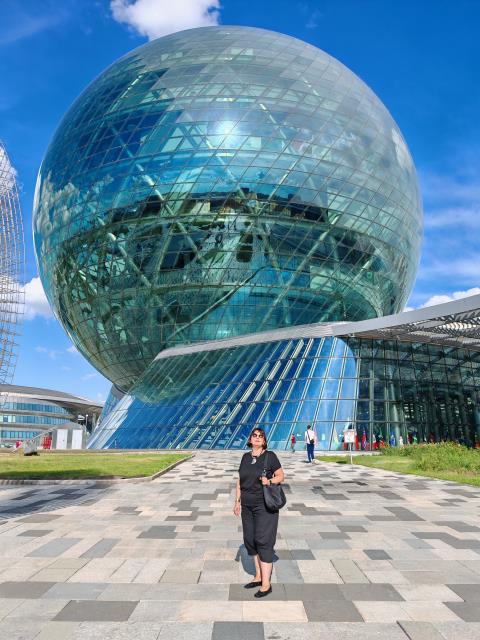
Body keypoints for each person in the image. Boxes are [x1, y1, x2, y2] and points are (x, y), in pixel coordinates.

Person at [234, 427, 284, 598]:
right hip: (247, 506)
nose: (257, 438)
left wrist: (268, 481)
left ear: (264, 441)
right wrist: (237, 501)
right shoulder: (245, 457)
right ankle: (258, 576)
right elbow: (239, 481)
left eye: (260, 436)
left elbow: (281, 476)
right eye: (254, 435)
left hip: (264, 505)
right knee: (250, 540)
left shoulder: (270, 457)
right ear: (250, 439)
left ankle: (266, 584)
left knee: (263, 540)